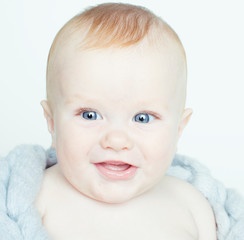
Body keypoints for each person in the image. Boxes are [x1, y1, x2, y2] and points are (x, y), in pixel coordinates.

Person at [34, 3, 217, 239]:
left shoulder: (190, 203)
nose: (117, 140)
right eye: (90, 115)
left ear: (179, 128)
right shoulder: (38, 197)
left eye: (143, 118)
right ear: (52, 122)